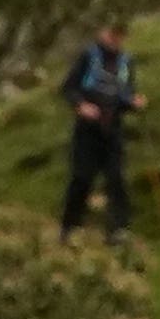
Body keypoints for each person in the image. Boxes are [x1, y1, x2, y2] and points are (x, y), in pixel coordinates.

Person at [56, 19, 140, 242]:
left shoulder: (127, 62)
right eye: (112, 34)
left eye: (120, 35)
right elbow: (68, 88)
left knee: (116, 178)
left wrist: (133, 103)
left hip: (113, 129)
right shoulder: (88, 57)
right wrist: (81, 106)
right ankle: (69, 228)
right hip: (87, 129)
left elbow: (126, 95)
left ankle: (118, 230)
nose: (115, 39)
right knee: (82, 177)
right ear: (102, 33)